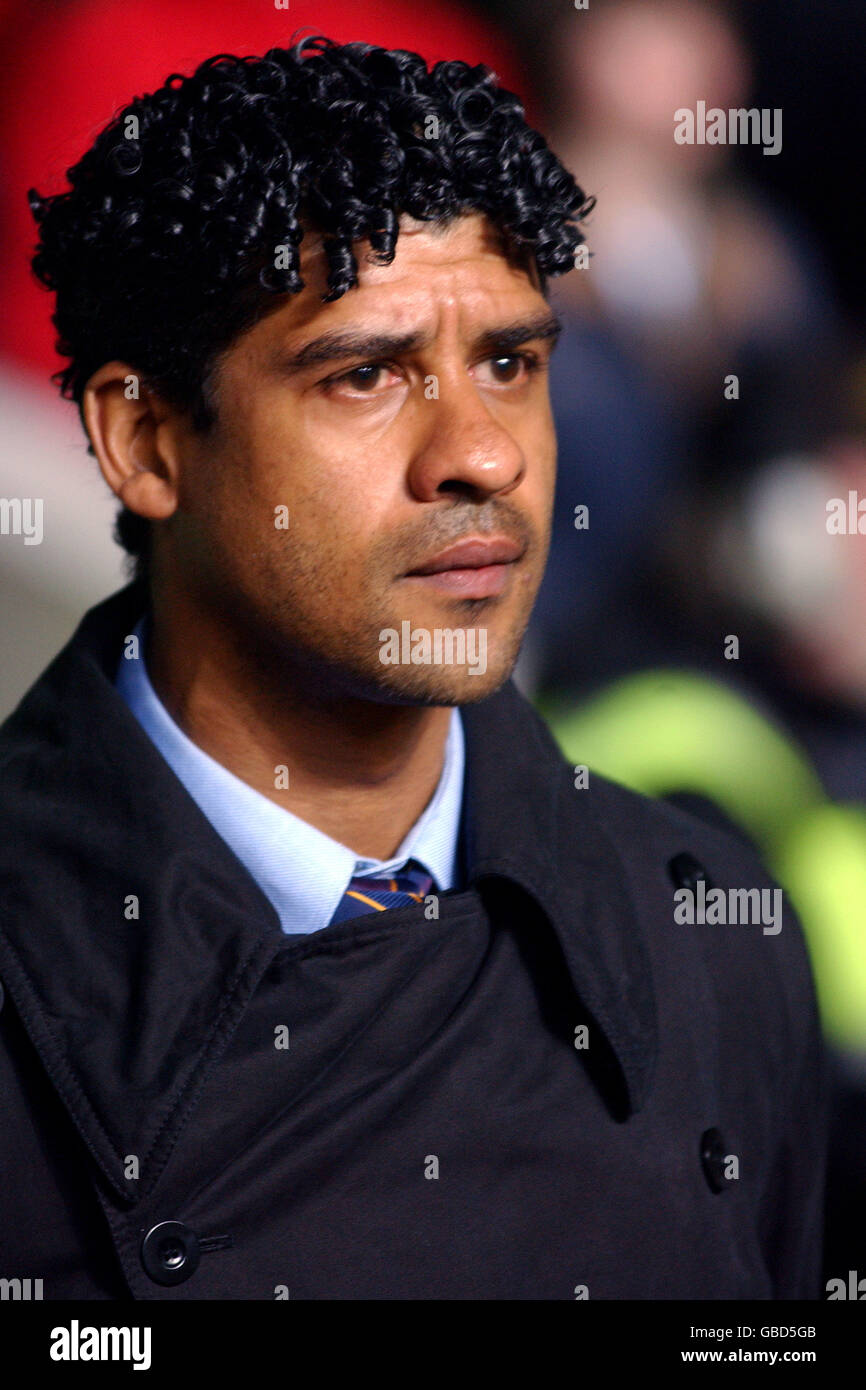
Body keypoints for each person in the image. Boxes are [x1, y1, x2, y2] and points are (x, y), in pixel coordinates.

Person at [0, 35, 825, 1300]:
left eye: (510, 362)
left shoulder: (709, 931)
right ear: (143, 439)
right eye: (368, 374)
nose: (481, 455)